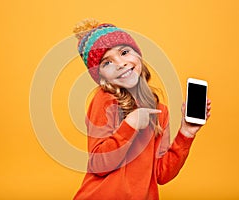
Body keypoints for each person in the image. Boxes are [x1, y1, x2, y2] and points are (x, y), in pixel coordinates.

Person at [72, 19, 211, 200]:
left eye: (124, 52)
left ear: (138, 55)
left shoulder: (160, 111)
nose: (120, 63)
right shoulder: (105, 100)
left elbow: (161, 174)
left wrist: (186, 133)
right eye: (107, 63)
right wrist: (130, 125)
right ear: (101, 77)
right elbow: (99, 165)